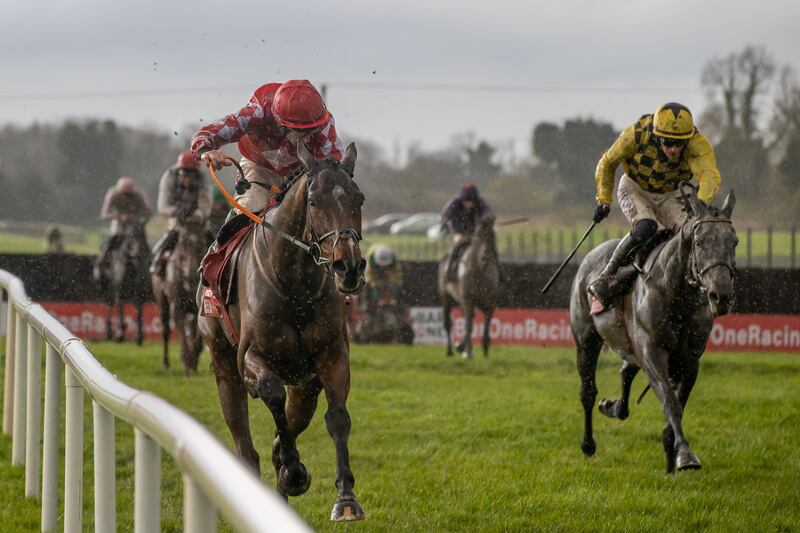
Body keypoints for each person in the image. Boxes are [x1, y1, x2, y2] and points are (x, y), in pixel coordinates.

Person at [588, 102, 722, 306]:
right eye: (668, 142)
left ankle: (696, 286)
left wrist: (701, 205)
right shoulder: (639, 132)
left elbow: (710, 176)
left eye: (679, 144)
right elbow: (607, 162)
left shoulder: (698, 144)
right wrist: (604, 199)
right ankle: (606, 276)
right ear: (657, 136)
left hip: (671, 192)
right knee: (646, 227)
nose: (674, 149)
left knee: (689, 232)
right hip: (635, 187)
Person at [191, 79, 344, 216]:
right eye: (303, 133)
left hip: (300, 173)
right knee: (251, 206)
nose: (309, 138)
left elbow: (334, 169)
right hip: (258, 167)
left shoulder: (323, 124)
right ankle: (225, 243)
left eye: (313, 131)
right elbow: (208, 133)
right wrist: (205, 150)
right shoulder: (257, 113)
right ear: (282, 125)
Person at [150, 151, 212, 276]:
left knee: (214, 240)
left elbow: (206, 204)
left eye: (191, 175)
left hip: (197, 221)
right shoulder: (169, 177)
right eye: (184, 175)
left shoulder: (203, 179)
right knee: (163, 245)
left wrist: (198, 214)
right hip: (177, 220)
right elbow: (162, 206)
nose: (187, 179)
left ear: (196, 174)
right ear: (178, 172)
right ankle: (158, 263)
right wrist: (178, 211)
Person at [96, 176, 151, 272]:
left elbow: (147, 212)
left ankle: (150, 265)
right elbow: (104, 214)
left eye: (128, 194)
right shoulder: (112, 194)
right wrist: (119, 216)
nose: (126, 197)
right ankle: (101, 266)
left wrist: (138, 220)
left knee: (143, 246)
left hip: (135, 227)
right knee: (109, 244)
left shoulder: (138, 195)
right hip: (119, 226)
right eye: (124, 194)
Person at [440, 184, 495, 281]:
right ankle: (448, 272)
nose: (469, 204)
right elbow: (445, 218)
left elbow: (488, 212)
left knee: (489, 246)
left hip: (474, 233)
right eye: (467, 201)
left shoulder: (479, 202)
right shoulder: (454, 204)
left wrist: (488, 218)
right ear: (462, 200)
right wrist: (454, 233)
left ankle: (497, 268)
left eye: (471, 201)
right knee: (458, 247)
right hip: (457, 231)